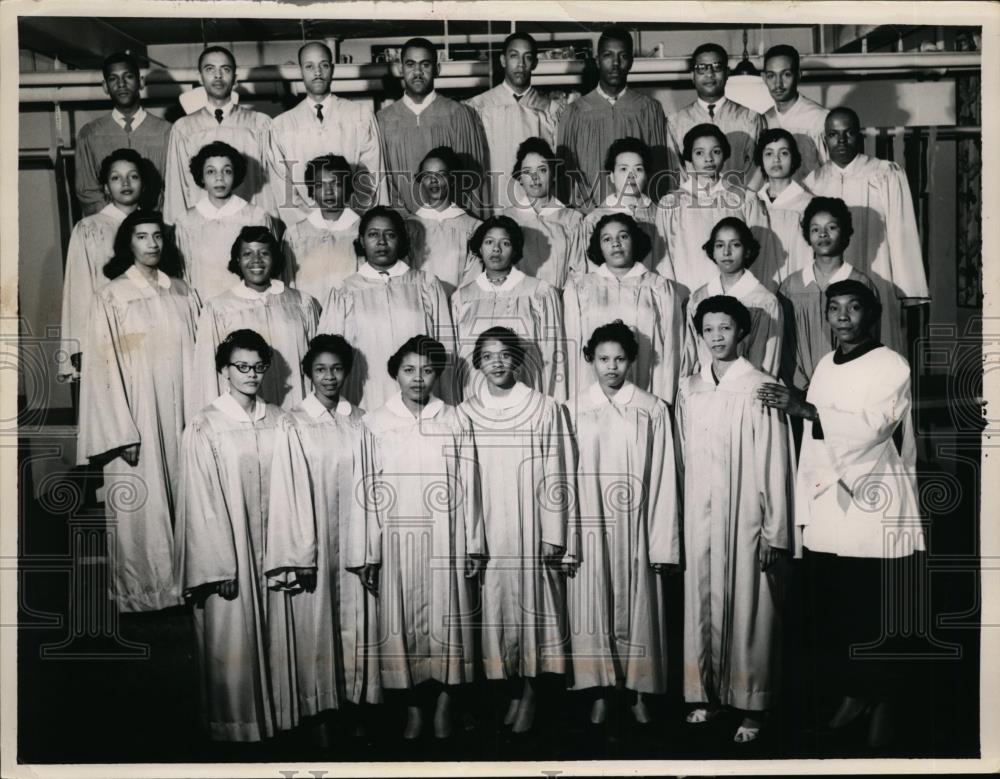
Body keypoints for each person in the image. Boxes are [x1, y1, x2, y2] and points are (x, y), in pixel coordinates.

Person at [757, 280, 925, 749]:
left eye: (854, 308)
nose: (844, 316)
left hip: (873, 502)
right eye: (835, 308)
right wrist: (807, 505)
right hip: (830, 507)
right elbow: (816, 442)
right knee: (838, 612)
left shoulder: (891, 364)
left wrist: (805, 407)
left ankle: (883, 703)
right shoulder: (826, 364)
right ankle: (854, 695)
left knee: (872, 611)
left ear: (871, 314)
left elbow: (874, 427)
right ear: (827, 316)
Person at [675, 295, 796, 744]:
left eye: (726, 328)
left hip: (748, 513)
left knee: (750, 607)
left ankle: (753, 704)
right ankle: (709, 695)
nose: (717, 337)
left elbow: (777, 461)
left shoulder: (759, 386)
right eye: (709, 330)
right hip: (701, 515)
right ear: (700, 335)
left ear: (742, 332)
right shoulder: (690, 387)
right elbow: (684, 456)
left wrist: (775, 528)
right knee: (703, 601)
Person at [175, 328, 296, 741]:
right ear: (224, 370)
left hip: (274, 552)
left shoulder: (280, 419)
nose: (250, 374)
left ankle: (278, 722)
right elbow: (200, 504)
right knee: (234, 638)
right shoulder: (206, 425)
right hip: (230, 557)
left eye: (258, 366)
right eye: (241, 366)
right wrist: (218, 566)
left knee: (275, 636)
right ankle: (236, 733)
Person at [77, 211, 199, 612]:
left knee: (187, 495)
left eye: (157, 236)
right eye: (142, 236)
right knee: (142, 507)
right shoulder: (112, 296)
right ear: (128, 243)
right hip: (137, 415)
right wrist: (121, 432)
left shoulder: (182, 292)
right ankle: (144, 593)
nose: (152, 243)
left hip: (182, 411)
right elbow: (103, 367)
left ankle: (187, 583)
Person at [361, 335, 481, 740]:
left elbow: (470, 484)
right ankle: (413, 707)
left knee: (449, 622)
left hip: (446, 536)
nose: (418, 379)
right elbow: (367, 489)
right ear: (395, 372)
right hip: (396, 536)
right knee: (403, 624)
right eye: (409, 370)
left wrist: (472, 543)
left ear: (438, 374)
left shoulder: (454, 419)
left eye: (427, 370)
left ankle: (446, 704)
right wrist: (370, 551)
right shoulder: (376, 423)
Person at [264, 334, 381, 741]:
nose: (329, 377)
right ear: (307, 374)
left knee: (355, 624)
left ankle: (355, 707)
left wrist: (370, 548)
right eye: (320, 369)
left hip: (353, 540)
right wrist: (299, 555)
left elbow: (372, 487)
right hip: (311, 544)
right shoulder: (292, 423)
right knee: (316, 625)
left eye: (336, 368)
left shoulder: (362, 420)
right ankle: (320, 715)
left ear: (347, 371)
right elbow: (286, 490)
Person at [459, 327, 573, 734]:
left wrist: (553, 532)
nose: (497, 364)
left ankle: (530, 693)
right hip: (488, 525)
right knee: (496, 612)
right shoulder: (467, 412)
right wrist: (471, 538)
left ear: (517, 360)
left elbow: (556, 471)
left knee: (534, 612)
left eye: (505, 355)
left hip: (530, 524)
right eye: (488, 356)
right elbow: (464, 477)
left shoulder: (544, 407)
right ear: (478, 363)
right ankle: (508, 690)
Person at [566, 321, 679, 727]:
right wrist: (567, 539)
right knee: (592, 604)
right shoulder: (572, 408)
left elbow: (665, 475)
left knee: (640, 606)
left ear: (632, 360)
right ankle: (599, 690)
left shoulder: (652, 408)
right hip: (590, 520)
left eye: (619, 359)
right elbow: (562, 477)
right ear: (590, 360)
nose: (611, 367)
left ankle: (637, 693)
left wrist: (663, 543)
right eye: (602, 359)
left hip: (637, 523)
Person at [804, 107, 929, 346]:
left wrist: (906, 288)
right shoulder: (813, 181)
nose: (841, 140)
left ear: (859, 135)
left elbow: (902, 232)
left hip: (878, 275)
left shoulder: (885, 173)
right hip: (830, 280)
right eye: (833, 134)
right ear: (825, 138)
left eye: (848, 133)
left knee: (880, 341)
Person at [318, 206, 456, 409]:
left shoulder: (426, 284)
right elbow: (327, 356)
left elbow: (445, 346)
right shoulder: (344, 291)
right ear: (362, 240)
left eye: (390, 234)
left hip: (420, 394)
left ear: (401, 240)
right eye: (373, 234)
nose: (381, 242)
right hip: (366, 395)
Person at [192, 226, 320, 412]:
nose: (256, 260)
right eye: (247, 254)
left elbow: (318, 363)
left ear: (274, 258)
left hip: (295, 407)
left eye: (264, 253)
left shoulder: (302, 303)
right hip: (243, 412)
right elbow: (208, 372)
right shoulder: (219, 308)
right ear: (238, 260)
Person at [564, 213, 685, 404]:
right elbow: (571, 352)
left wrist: (663, 404)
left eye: (623, 236)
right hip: (592, 396)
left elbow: (671, 350)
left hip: (646, 392)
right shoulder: (580, 288)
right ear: (599, 246)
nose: (616, 244)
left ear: (634, 241)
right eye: (607, 239)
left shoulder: (659, 287)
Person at [556, 25, 671, 210]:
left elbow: (659, 172)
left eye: (623, 56)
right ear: (598, 60)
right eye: (608, 55)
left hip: (638, 215)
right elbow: (565, 175)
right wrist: (585, 214)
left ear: (631, 62)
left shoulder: (649, 109)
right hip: (588, 216)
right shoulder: (574, 112)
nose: (615, 63)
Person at [451, 215, 566, 399]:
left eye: (505, 243)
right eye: (489, 242)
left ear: (514, 250)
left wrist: (552, 406)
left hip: (528, 397)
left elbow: (554, 355)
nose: (496, 249)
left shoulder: (539, 293)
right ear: (480, 248)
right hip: (475, 398)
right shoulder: (462, 298)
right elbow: (457, 360)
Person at [269, 40, 384, 223]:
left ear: (332, 69)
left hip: (353, 222)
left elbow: (370, 174)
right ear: (301, 71)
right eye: (309, 66)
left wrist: (352, 220)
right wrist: (309, 224)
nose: (317, 73)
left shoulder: (360, 116)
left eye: (323, 65)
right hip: (306, 229)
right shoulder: (281, 126)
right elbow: (283, 186)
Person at [376, 38, 488, 218]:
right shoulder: (383, 120)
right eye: (410, 64)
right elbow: (384, 182)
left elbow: (471, 181)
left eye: (425, 65)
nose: (418, 72)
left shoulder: (458, 114)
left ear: (437, 69)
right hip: (402, 225)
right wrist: (403, 221)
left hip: (450, 223)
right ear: (400, 69)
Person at [778, 196, 880, 393]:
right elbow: (785, 344)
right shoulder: (791, 286)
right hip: (800, 391)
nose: (823, 234)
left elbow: (869, 343)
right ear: (808, 235)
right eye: (815, 229)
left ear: (845, 232)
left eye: (831, 227)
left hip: (848, 388)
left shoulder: (861, 284)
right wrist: (799, 386)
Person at [59, 148, 145, 381]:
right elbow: (78, 291)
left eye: (133, 176)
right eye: (116, 177)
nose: (125, 183)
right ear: (106, 187)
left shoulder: (156, 228)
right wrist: (80, 346)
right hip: (106, 333)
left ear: (143, 183)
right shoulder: (89, 229)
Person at [164, 46, 276, 224]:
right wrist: (175, 232)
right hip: (201, 228)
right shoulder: (184, 128)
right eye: (210, 69)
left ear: (235, 79)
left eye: (225, 69)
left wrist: (269, 227)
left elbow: (271, 188)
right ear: (200, 77)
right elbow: (176, 188)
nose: (218, 75)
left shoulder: (259, 124)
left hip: (248, 227)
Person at [656, 123, 770, 296]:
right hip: (688, 294)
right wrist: (675, 299)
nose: (708, 159)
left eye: (715, 151)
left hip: (737, 296)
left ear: (725, 155)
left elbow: (760, 252)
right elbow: (664, 260)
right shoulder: (671, 204)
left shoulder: (745, 199)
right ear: (689, 157)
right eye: (699, 153)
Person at [465, 32, 564, 212]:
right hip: (495, 204)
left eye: (527, 57)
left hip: (540, 210)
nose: (520, 64)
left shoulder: (552, 111)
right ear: (503, 60)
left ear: (535, 63)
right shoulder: (478, 107)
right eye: (514, 56)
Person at [173, 141, 278, 300]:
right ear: (201, 177)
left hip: (247, 304)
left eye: (227, 171)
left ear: (235, 174)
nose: (219, 178)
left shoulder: (256, 217)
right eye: (211, 172)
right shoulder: (187, 221)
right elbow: (183, 273)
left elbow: (270, 268)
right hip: (204, 303)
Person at [681, 217, 783, 377]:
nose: (726, 252)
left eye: (735, 245)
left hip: (745, 389)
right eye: (720, 245)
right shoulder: (698, 297)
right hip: (705, 387)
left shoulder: (765, 301)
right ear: (712, 251)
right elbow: (691, 351)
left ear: (747, 250)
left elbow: (769, 359)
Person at [75, 52, 171, 216]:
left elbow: (174, 188)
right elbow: (88, 192)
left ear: (140, 82)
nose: (121, 84)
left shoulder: (167, 132)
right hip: (109, 230)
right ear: (105, 86)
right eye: (113, 79)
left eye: (128, 77)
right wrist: (116, 222)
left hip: (156, 226)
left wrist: (153, 222)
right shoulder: (90, 134)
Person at [667, 43, 765, 184]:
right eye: (702, 68)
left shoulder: (750, 118)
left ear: (727, 73)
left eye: (717, 67)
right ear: (692, 76)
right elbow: (676, 174)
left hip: (739, 201)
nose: (709, 74)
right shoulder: (675, 122)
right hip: (693, 202)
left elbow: (757, 171)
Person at [500, 137, 587, 288]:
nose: (535, 177)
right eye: (527, 171)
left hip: (561, 305)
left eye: (542, 170)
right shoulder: (506, 219)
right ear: (520, 178)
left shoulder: (572, 220)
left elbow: (579, 274)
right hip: (517, 306)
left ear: (553, 174)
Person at [281, 154, 363, 304]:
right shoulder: (296, 234)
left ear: (347, 187)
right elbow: (289, 284)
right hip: (310, 315)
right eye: (320, 185)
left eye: (335, 184)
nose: (329, 191)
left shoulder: (361, 230)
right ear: (312, 190)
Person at [405, 146, 482, 295]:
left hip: (458, 311)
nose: (434, 181)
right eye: (427, 175)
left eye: (441, 175)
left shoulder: (474, 227)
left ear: (451, 179)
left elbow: (474, 279)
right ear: (420, 180)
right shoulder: (408, 227)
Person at [583, 136, 665, 272]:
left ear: (646, 175)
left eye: (638, 169)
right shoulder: (594, 220)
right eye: (623, 169)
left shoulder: (661, 215)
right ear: (612, 176)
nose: (631, 176)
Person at [761, 45, 829, 183]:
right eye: (771, 75)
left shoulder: (819, 118)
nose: (778, 83)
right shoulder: (763, 120)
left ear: (798, 75)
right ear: (764, 78)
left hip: (811, 200)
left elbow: (831, 173)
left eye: (786, 74)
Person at [755, 128, 814, 285]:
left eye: (783, 153)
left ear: (794, 158)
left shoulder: (809, 204)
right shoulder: (752, 203)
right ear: (760, 159)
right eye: (769, 154)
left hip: (797, 285)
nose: (776, 160)